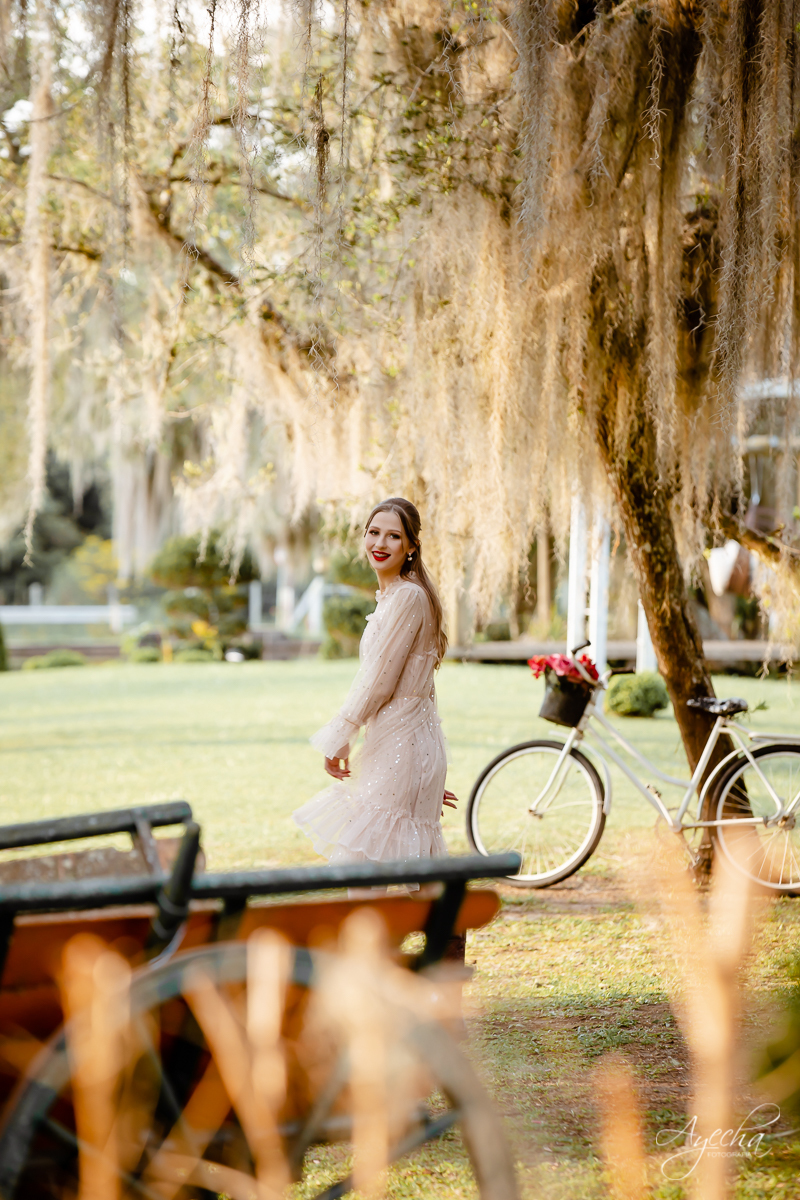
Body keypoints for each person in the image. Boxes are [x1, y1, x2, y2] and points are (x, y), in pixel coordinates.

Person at [293, 497, 458, 869]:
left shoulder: (408, 597)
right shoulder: (398, 596)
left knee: (361, 867)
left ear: (411, 546)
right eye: (374, 532)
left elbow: (378, 683)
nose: (380, 544)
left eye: (394, 536)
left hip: (402, 746)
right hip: (400, 744)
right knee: (394, 868)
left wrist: (340, 735)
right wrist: (423, 770)